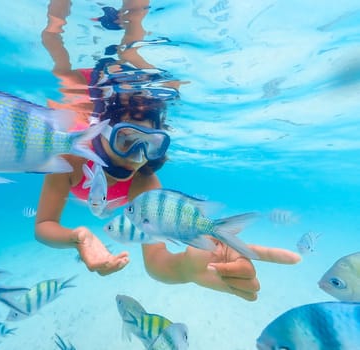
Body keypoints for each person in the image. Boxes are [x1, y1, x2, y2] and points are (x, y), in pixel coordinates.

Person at [35, 0, 300, 301]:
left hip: (121, 83)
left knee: (129, 51)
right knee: (60, 57)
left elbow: (157, 262)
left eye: (150, 145)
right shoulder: (70, 158)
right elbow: (44, 225)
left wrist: (188, 267)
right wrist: (77, 237)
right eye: (126, 139)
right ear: (100, 130)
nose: (137, 155)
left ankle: (133, 30)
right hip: (87, 81)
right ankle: (74, 18)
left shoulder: (143, 183)